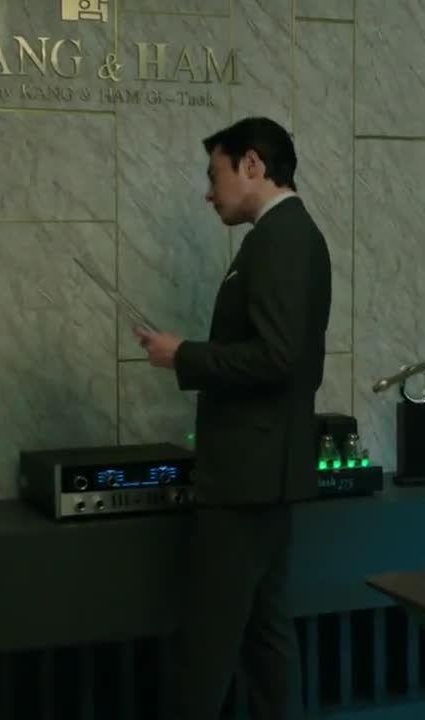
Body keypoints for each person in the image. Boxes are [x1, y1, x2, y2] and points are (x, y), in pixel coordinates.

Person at [135, 116, 331, 720]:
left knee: (208, 644)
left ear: (252, 164)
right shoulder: (288, 235)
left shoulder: (280, 238)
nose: (208, 192)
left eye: (214, 174)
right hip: (266, 473)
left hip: (248, 477)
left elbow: (276, 355)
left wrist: (183, 355)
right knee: (264, 637)